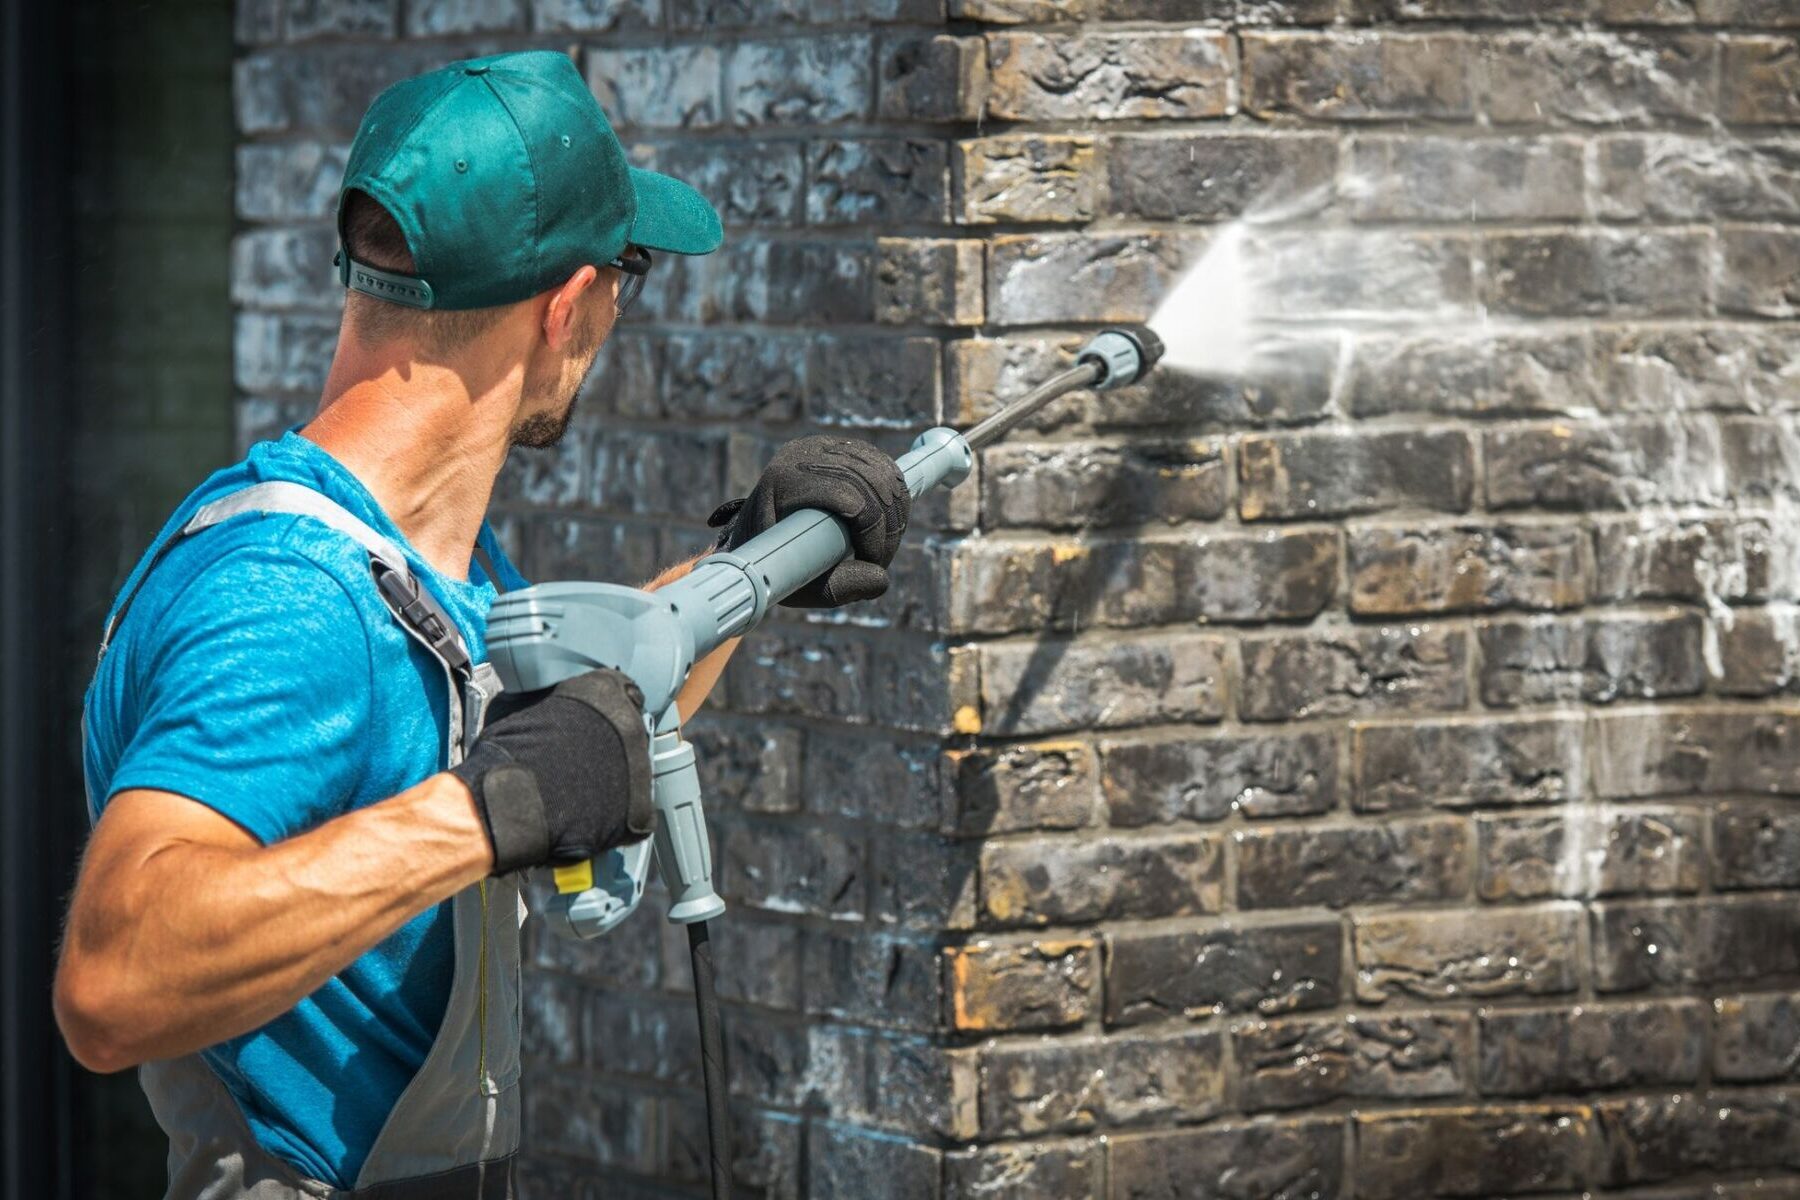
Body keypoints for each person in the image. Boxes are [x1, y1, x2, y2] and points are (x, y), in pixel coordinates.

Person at [54, 50, 910, 1200]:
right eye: (628, 272)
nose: (616, 309)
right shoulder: (292, 598)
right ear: (565, 308)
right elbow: (116, 977)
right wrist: (486, 812)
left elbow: (566, 726)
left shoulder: (415, 560)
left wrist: (746, 567)